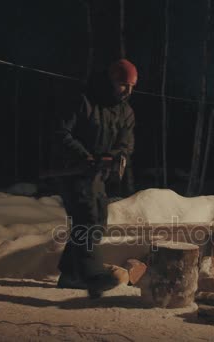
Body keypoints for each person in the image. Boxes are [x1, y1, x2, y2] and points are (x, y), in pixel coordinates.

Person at [54, 59, 137, 298]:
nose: (128, 91)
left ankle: (70, 274)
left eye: (132, 86)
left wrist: (113, 157)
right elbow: (61, 132)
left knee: (98, 220)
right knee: (87, 219)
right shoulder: (83, 100)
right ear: (110, 79)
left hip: (97, 174)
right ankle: (91, 275)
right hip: (72, 170)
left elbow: (126, 143)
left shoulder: (125, 111)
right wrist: (85, 156)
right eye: (123, 84)